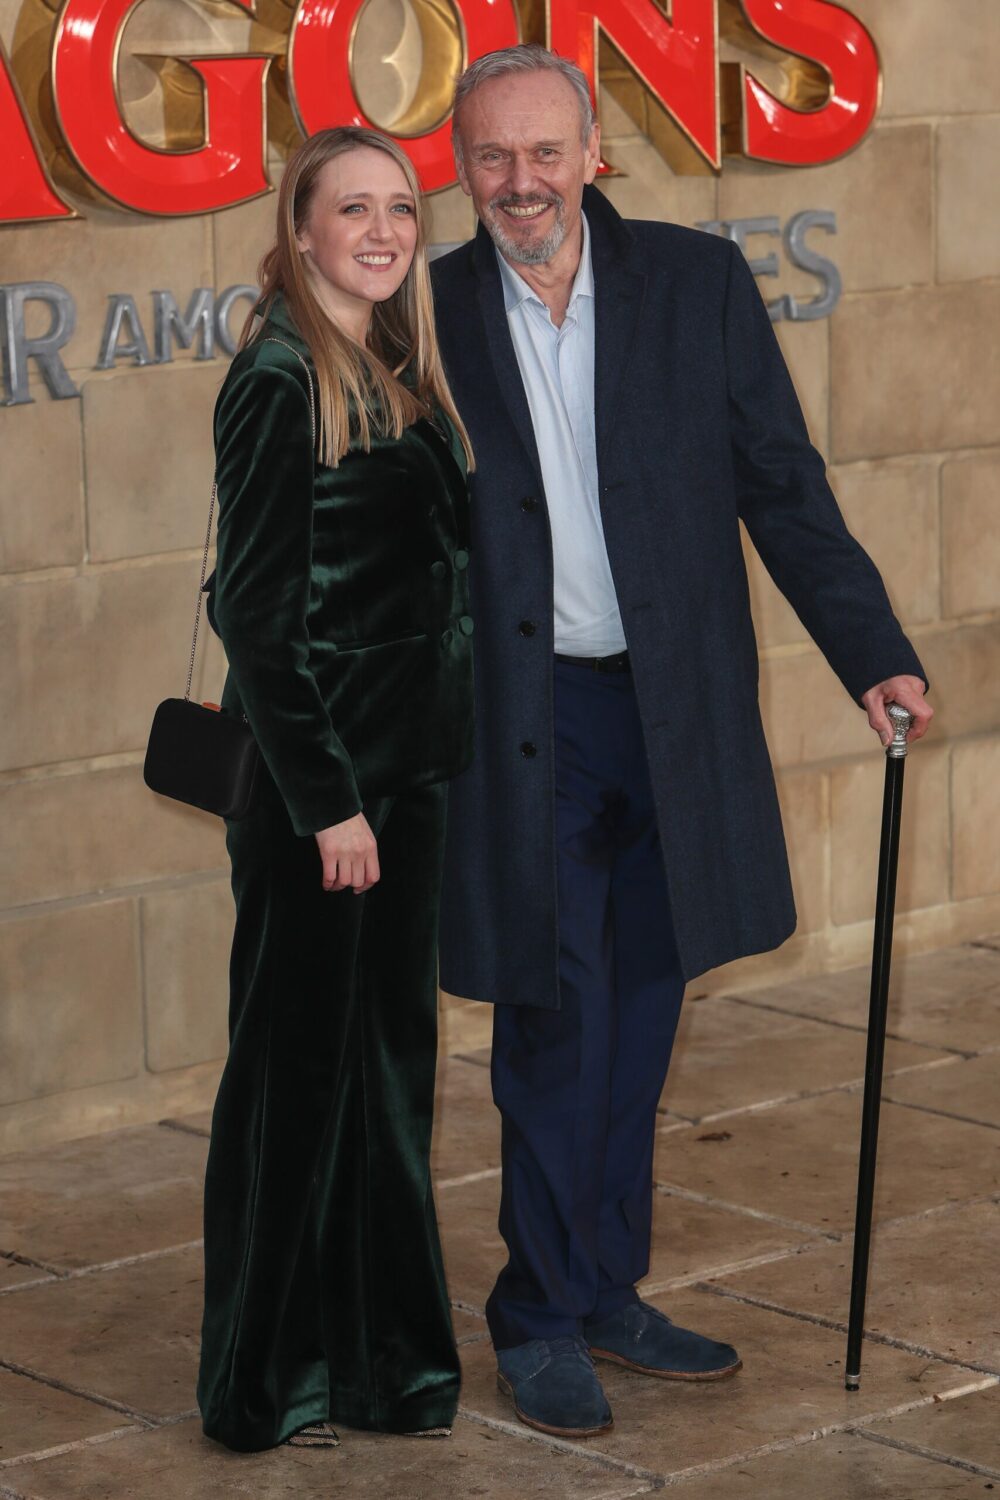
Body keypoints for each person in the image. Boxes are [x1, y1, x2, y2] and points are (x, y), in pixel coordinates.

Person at [430, 44, 932, 1440]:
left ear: (594, 153)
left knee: (644, 1007)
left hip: (674, 709)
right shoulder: (427, 310)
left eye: (544, 153)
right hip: (521, 726)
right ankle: (535, 1310)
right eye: (491, 157)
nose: (519, 182)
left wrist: (872, 649)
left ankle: (603, 1285)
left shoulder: (696, 285)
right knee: (552, 1017)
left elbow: (781, 481)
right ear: (460, 168)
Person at [196, 125, 475, 1452]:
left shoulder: (396, 361)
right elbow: (256, 616)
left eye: (400, 210)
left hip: (401, 783)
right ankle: (263, 1381)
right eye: (350, 209)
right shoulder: (276, 375)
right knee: (299, 1079)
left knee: (387, 1078)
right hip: (327, 801)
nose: (379, 231)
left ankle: (382, 1365)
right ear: (299, 229)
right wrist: (328, 804)